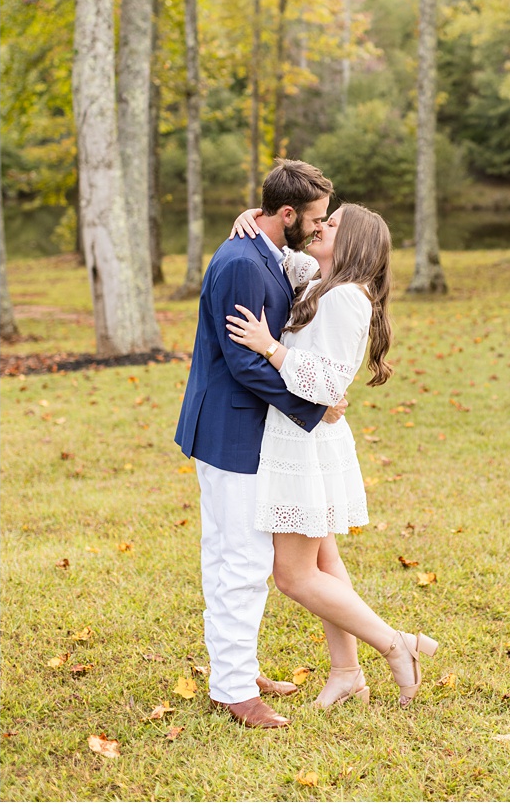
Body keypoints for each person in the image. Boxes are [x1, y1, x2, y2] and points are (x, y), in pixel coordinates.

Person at [225, 202, 438, 710]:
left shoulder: (346, 297)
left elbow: (326, 381)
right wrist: (251, 219)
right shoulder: (322, 283)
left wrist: (268, 346)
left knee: (293, 575)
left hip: (306, 443)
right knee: (324, 558)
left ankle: (395, 645)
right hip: (298, 437)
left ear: (355, 243)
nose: (321, 226)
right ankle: (346, 672)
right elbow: (284, 250)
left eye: (334, 223)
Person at [173, 158, 343, 729]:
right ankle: (234, 691)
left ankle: (234, 671)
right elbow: (246, 364)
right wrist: (315, 408)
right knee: (241, 560)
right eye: (315, 219)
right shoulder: (244, 262)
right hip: (231, 430)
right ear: (287, 214)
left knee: (228, 554)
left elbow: (298, 266)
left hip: (233, 428)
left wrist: (255, 217)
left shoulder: (262, 249)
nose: (321, 229)